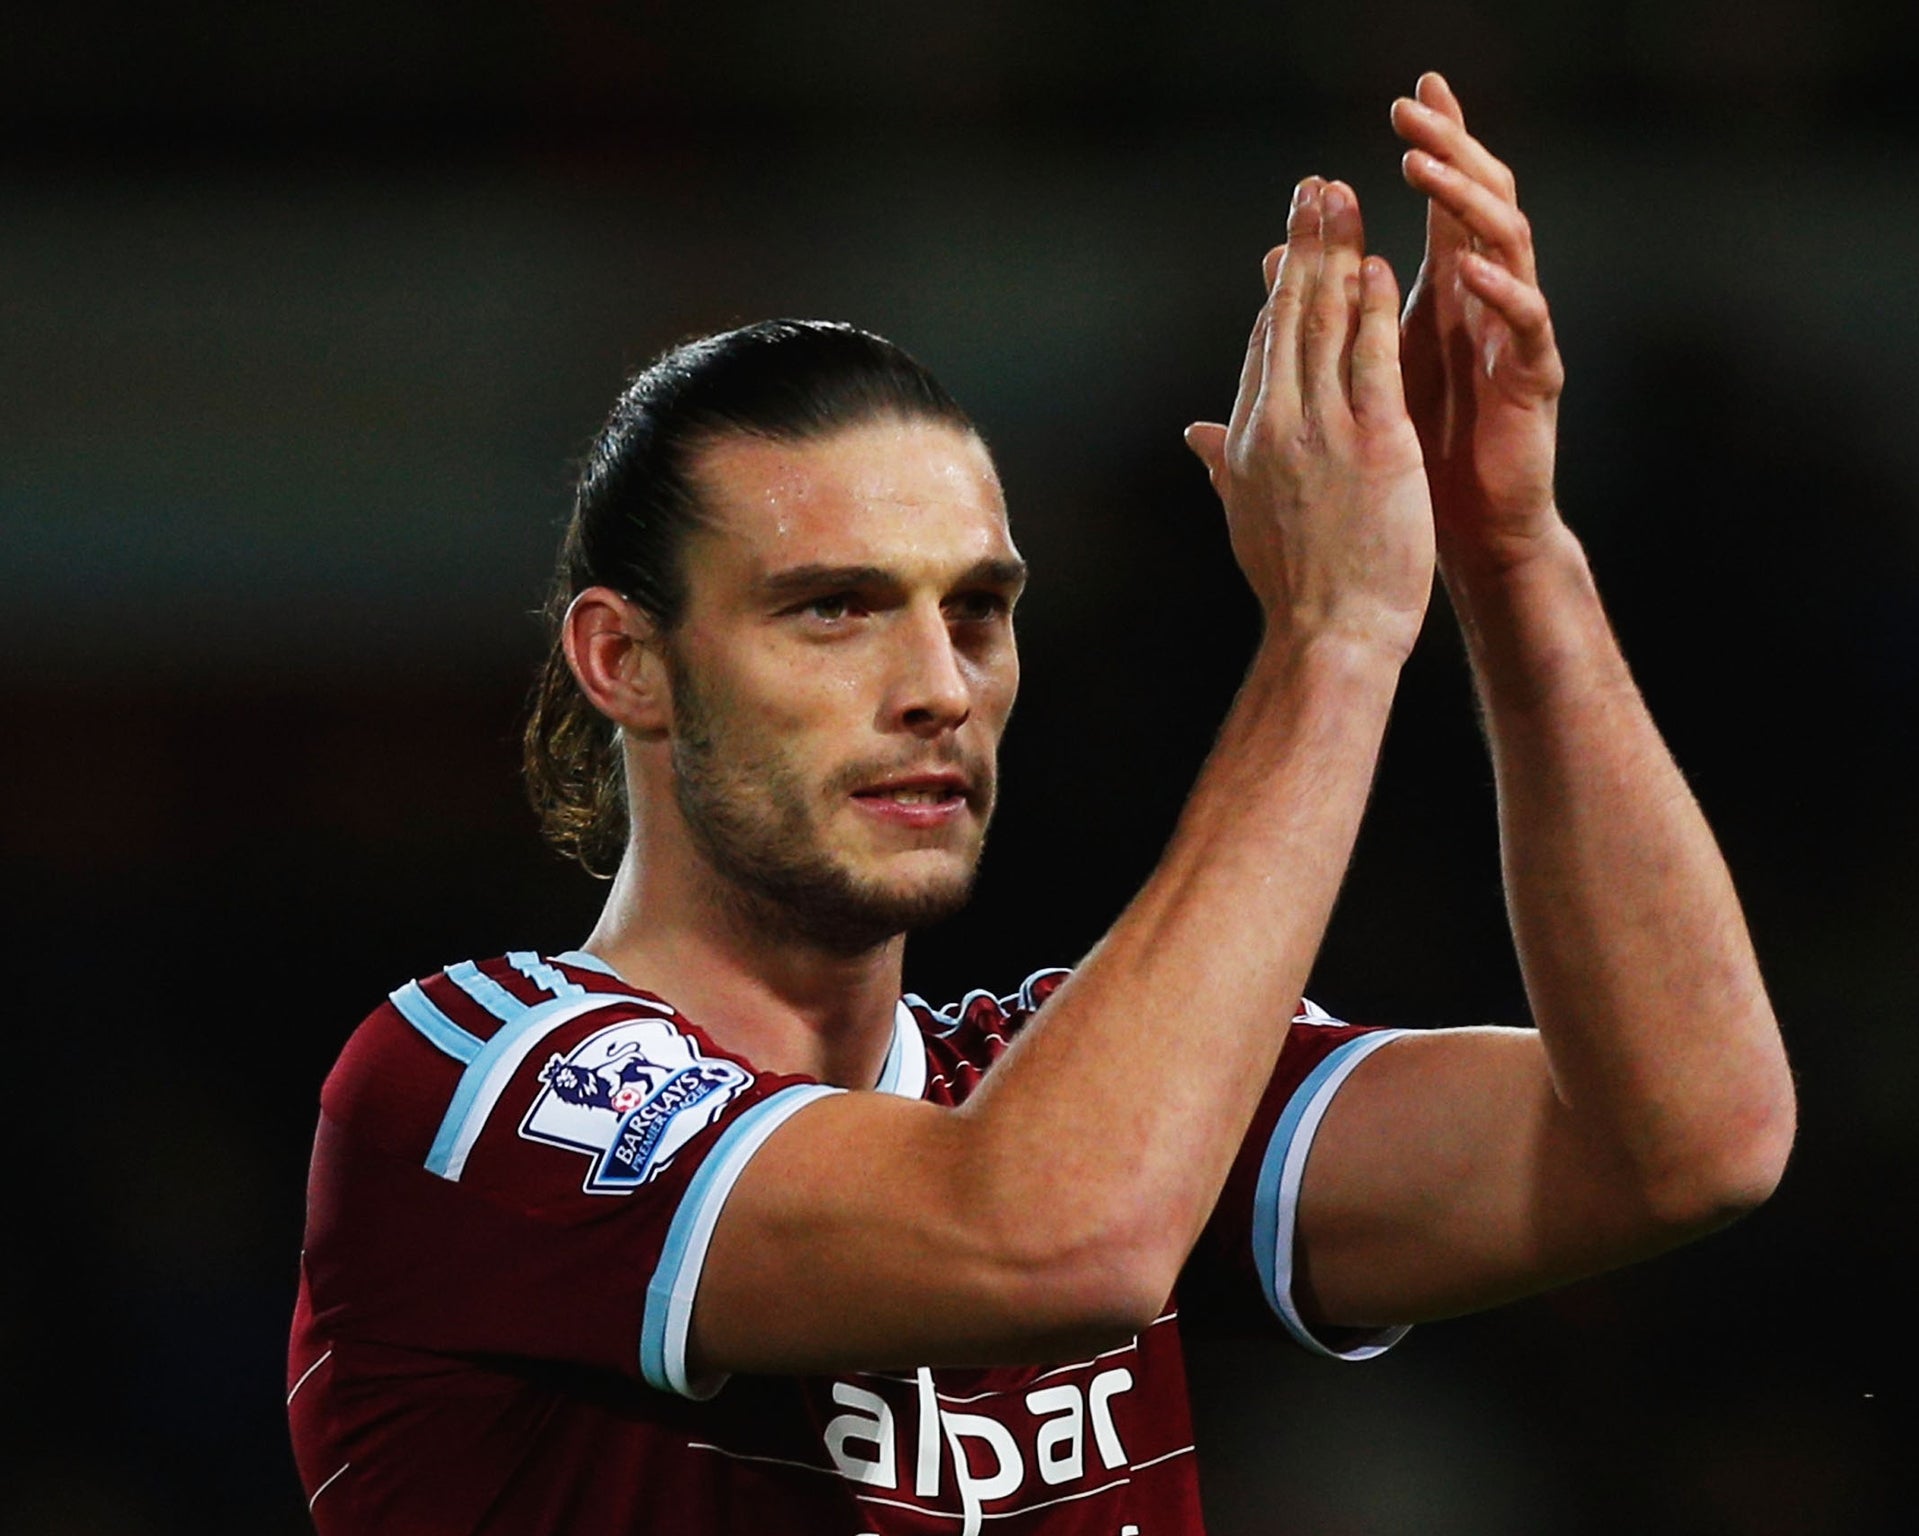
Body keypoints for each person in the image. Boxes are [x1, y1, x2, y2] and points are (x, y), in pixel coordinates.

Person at [288, 73, 1795, 1534]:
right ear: (629, 661)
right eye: (834, 610)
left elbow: (1690, 1138)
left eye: (981, 613)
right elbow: (1054, 1236)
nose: (939, 683)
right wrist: (1333, 638)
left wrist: (1510, 554)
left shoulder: (1067, 1080)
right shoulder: (471, 1090)